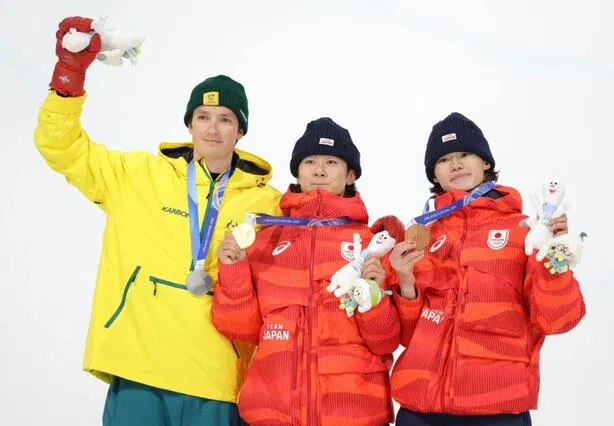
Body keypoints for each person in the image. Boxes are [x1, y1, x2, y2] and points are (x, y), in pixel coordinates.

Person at [34, 16, 281, 426]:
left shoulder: (269, 203)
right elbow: (60, 146)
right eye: (203, 116)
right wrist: (68, 77)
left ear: (241, 130)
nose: (213, 128)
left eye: (225, 119)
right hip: (139, 365)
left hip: (218, 377)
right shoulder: (136, 176)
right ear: (189, 124)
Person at [388, 113, 586, 426]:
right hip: (420, 409)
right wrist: (405, 284)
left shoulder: (524, 230)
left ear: (486, 163)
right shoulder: (423, 236)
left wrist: (554, 259)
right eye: (444, 159)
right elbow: (407, 334)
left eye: (464, 154)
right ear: (434, 174)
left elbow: (557, 319)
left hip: (496, 410)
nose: (455, 164)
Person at [213, 117, 400, 426]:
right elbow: (240, 328)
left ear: (350, 174)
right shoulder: (267, 240)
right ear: (297, 172)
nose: (319, 171)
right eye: (310, 162)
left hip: (353, 414)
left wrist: (374, 298)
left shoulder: (372, 246)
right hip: (272, 413)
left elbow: (386, 342)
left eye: (331, 162)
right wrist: (233, 270)